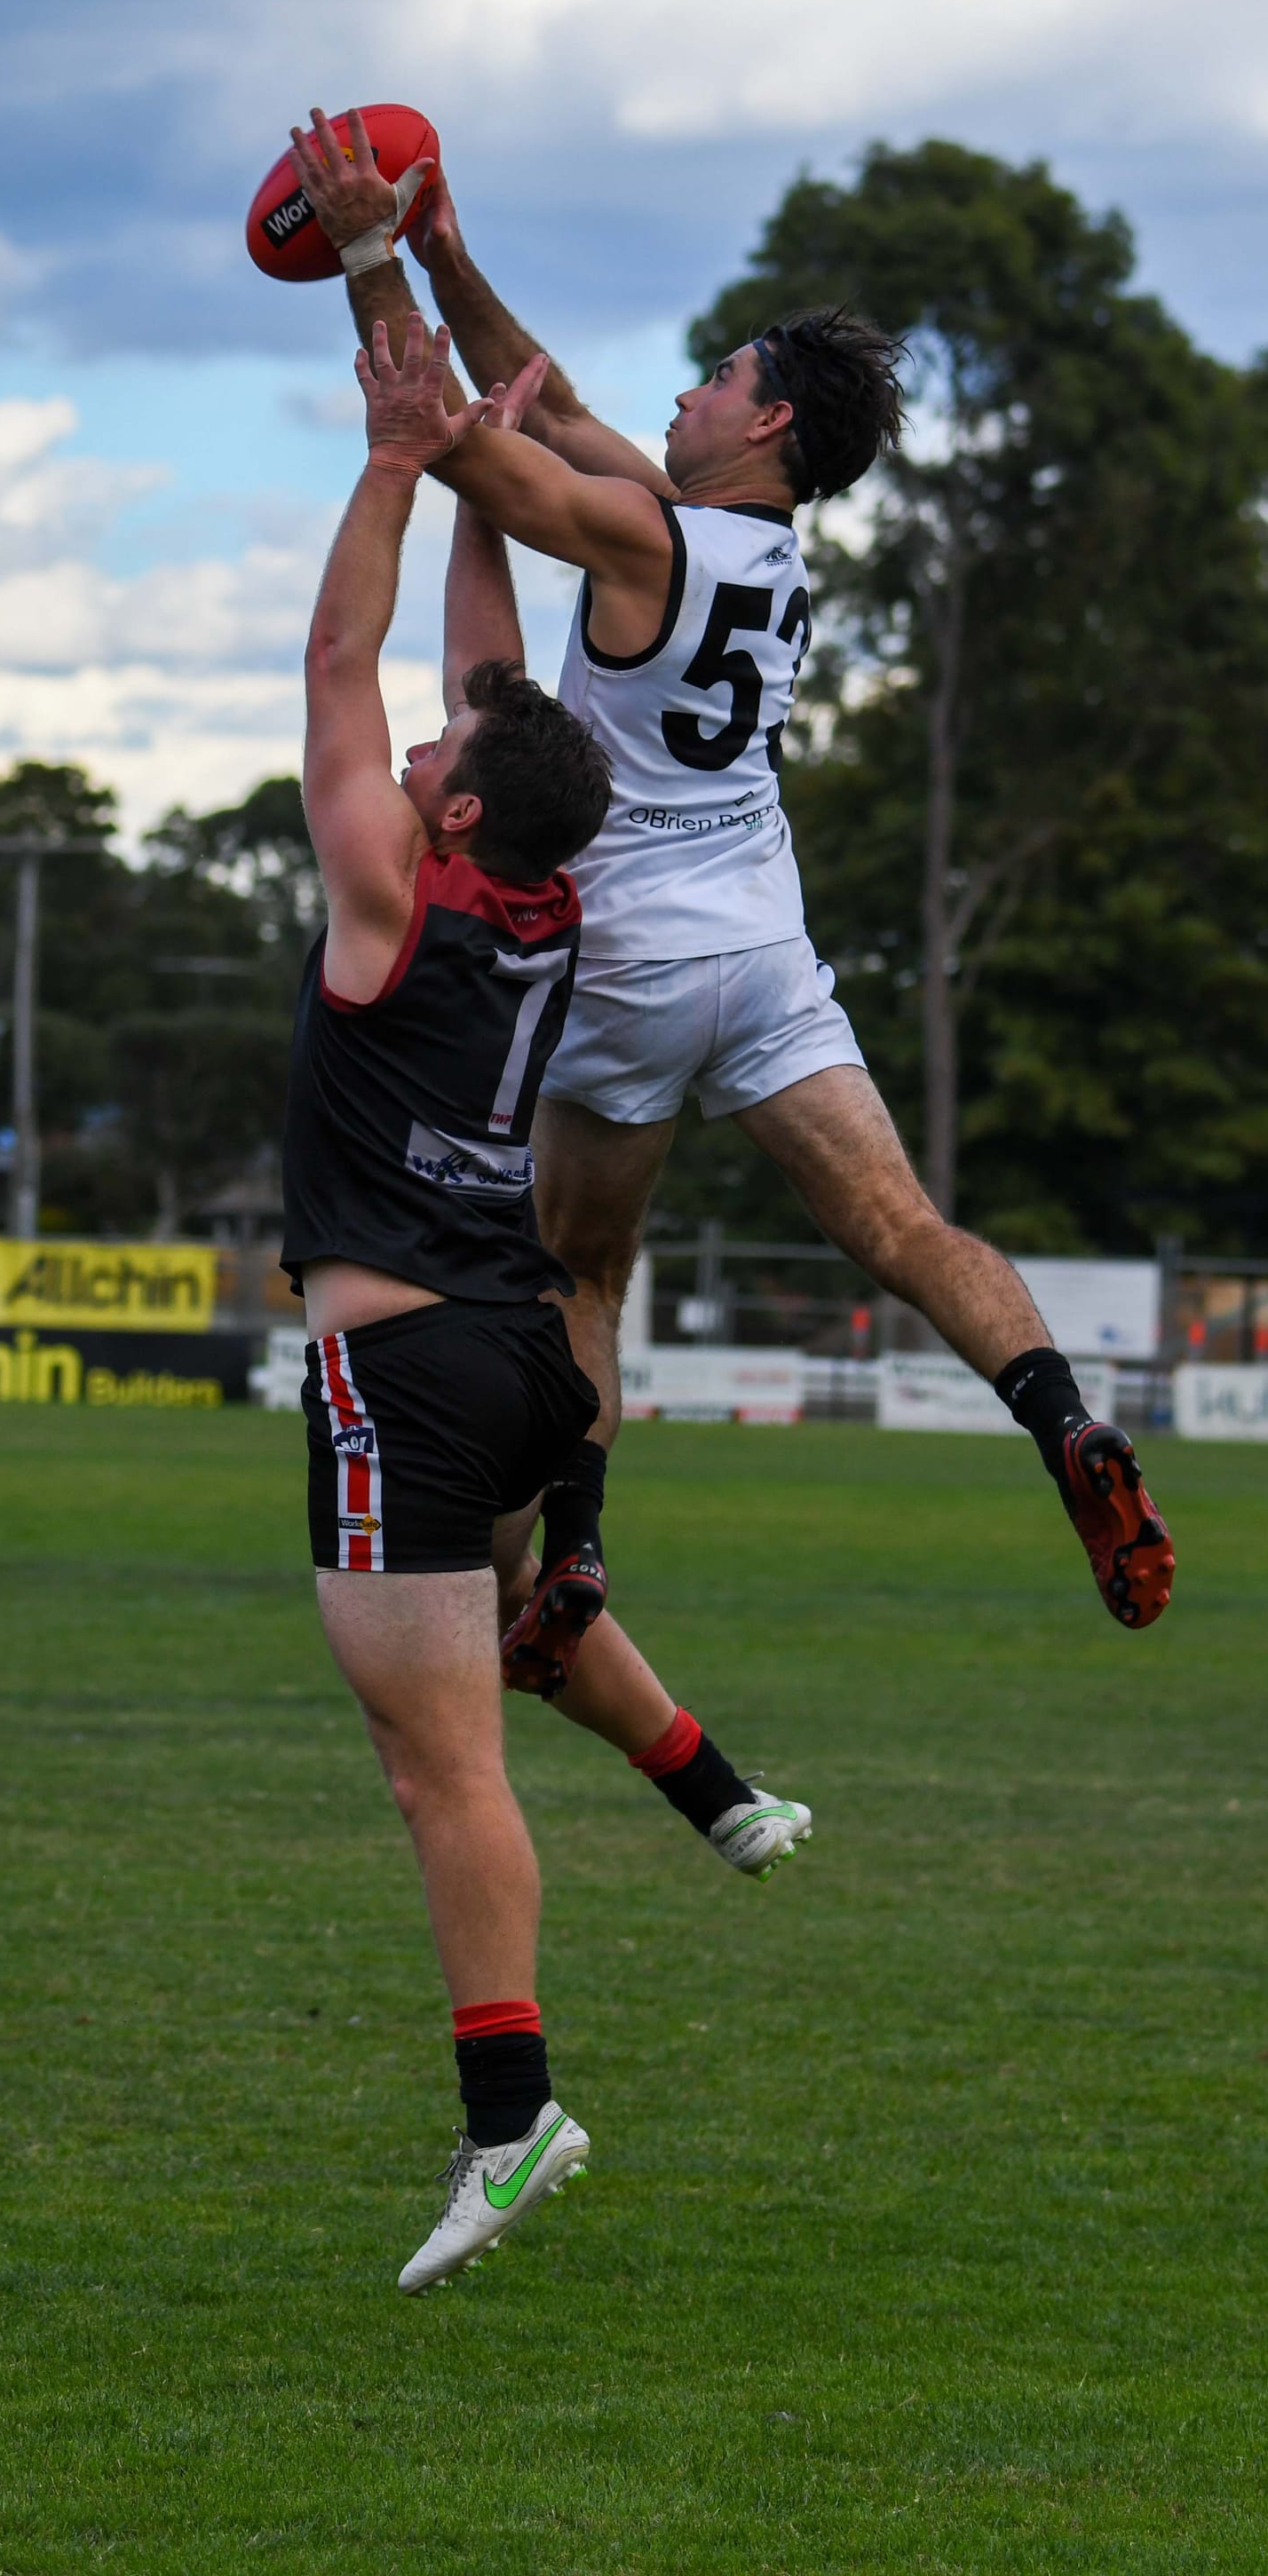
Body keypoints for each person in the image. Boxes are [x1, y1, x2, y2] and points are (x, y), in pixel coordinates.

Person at [283, 110, 1175, 1713]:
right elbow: (540, 398)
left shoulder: (642, 536)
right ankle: (1062, 1417)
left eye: (716, 375)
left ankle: (582, 1546)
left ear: (760, 426)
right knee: (906, 1231)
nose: (688, 388)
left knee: (588, 1278)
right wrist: (447, 251)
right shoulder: (761, 550)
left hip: (621, 965)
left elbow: (458, 437)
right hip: (765, 957)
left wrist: (363, 258)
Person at [285, 312, 800, 2297]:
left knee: (441, 1772)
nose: (407, 754)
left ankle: (514, 2124)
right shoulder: (541, 894)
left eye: (432, 768)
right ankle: (720, 1797)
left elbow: (346, 667)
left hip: (401, 1372)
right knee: (501, 1664)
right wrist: (464, 475)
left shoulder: (387, 891)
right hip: (520, 1367)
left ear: (455, 819)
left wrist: (396, 462)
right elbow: (485, 692)